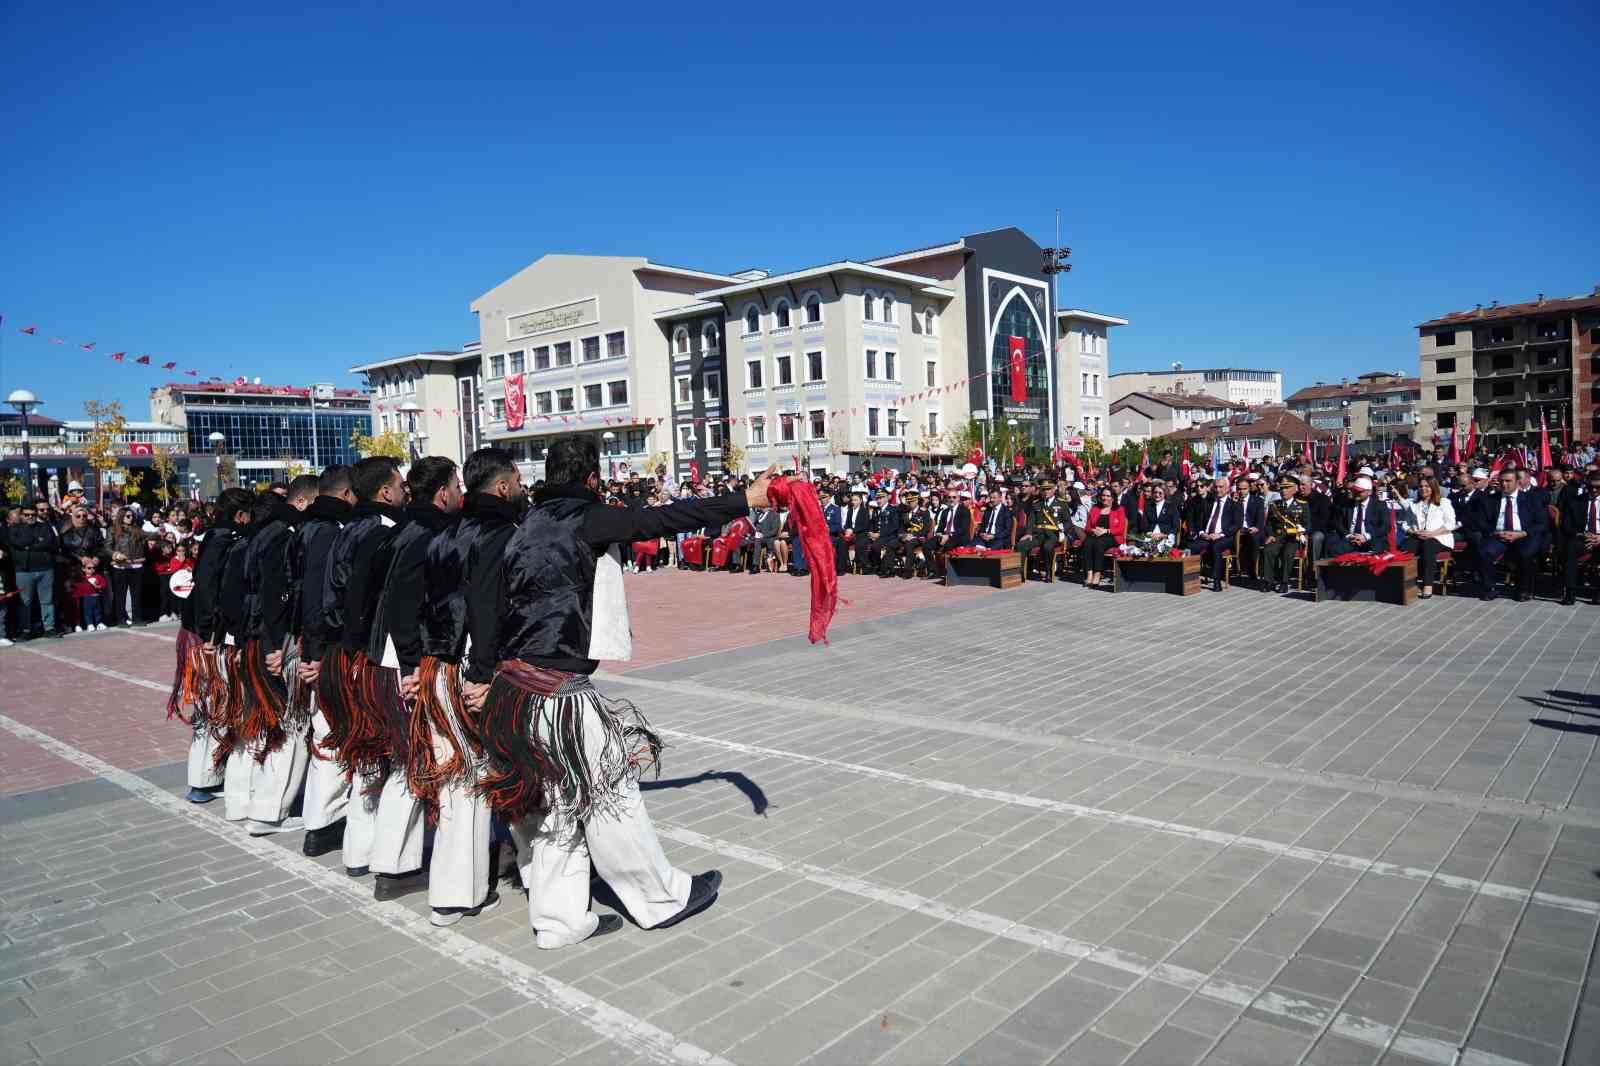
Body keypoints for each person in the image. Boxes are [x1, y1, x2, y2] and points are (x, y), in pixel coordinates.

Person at [479, 435, 772, 948]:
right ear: (592, 478)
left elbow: (488, 605)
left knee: (550, 805)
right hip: (558, 692)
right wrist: (743, 501)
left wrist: (478, 676)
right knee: (610, 795)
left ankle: (559, 921)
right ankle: (659, 899)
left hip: (511, 690)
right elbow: (660, 521)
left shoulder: (522, 528)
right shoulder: (583, 518)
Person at [419, 447, 524, 926]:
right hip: (476, 670)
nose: (523, 489)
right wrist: (481, 674)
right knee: (487, 776)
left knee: (456, 778)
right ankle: (500, 880)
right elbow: (484, 607)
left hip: (437, 668)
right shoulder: (501, 534)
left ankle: (454, 889)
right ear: (502, 487)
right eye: (519, 480)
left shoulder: (446, 533)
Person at [367, 456, 475, 916]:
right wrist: (414, 666)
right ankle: (406, 871)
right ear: (442, 491)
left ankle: (391, 864)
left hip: (392, 657)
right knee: (436, 763)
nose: (459, 491)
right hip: (411, 662)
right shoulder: (428, 535)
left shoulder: (401, 529)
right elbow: (406, 603)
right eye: (456, 484)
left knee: (409, 763)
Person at [318, 456, 411, 885]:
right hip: (371, 656)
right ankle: (387, 859)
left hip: (345, 653)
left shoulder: (345, 531)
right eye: (400, 483)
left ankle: (359, 850)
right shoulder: (384, 532)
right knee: (391, 754)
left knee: (365, 754)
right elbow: (364, 601)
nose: (406, 490)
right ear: (387, 492)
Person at [238, 474, 319, 835]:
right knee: (292, 725)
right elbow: (277, 593)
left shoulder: (262, 533)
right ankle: (271, 811)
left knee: (276, 725)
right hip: (274, 639)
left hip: (257, 635)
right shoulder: (284, 536)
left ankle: (260, 802)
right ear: (302, 502)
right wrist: (278, 644)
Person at [293, 465, 357, 858]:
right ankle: (324, 822)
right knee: (331, 733)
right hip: (325, 648)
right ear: (347, 494)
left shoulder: (303, 529)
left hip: (313, 642)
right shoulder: (328, 533)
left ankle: (322, 820)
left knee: (326, 731)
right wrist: (316, 653)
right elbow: (318, 597)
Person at [1475, 468, 1548, 602]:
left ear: (1517, 482)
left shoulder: (1531, 499)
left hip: (1523, 535)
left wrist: (1522, 533)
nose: (1504, 484)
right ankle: (1489, 588)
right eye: (1501, 481)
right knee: (1484, 551)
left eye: (1508, 481)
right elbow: (1482, 522)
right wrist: (1495, 532)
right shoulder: (1491, 499)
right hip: (1499, 535)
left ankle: (1523, 589)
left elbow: (1542, 523)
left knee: (1526, 553)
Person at [5, 502, 62, 639]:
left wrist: (28, 545)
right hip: (24, 571)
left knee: (47, 601)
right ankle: (25, 630)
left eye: (33, 514)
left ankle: (49, 628)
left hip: (45, 569)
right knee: (25, 602)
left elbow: (49, 542)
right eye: (27, 515)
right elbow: (16, 543)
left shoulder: (44, 526)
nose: (30, 517)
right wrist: (35, 541)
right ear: (21, 515)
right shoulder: (14, 529)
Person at [1402, 475, 1455, 599]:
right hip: (1418, 535)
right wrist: (1413, 532)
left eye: (1427, 486)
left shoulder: (1443, 502)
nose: (1423, 489)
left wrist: (1432, 533)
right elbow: (1405, 524)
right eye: (1421, 486)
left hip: (1439, 536)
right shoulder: (1413, 504)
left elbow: (1450, 523)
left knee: (1428, 546)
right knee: (1407, 547)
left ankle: (1427, 584)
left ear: (1433, 487)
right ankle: (1408, 582)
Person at [1259, 476, 1310, 594]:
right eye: (1282, 488)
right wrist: (1270, 534)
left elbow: (1308, 524)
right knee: (1268, 550)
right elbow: (1269, 524)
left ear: (1295, 489)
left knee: (1288, 553)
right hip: (1277, 536)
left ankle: (1284, 582)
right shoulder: (1274, 505)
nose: (1284, 491)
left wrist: (1302, 531)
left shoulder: (1302, 505)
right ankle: (1268, 581)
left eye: (1287, 488)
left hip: (1293, 538)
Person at [1560, 467, 1600, 605]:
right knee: (1570, 549)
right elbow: (1566, 524)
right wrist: (1582, 535)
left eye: (1598, 487)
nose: (1594, 490)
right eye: (1590, 487)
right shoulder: (1576, 501)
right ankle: (1570, 591)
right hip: (1583, 537)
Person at [1193, 477, 1241, 590]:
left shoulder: (1234, 505)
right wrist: (1201, 533)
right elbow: (1199, 521)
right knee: (1192, 546)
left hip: (1224, 537)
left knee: (1216, 546)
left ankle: (1216, 580)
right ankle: (1190, 579)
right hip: (1207, 536)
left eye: (1221, 487)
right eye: (1216, 487)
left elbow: (1236, 525)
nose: (1218, 489)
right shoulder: (1209, 502)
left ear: (1228, 488)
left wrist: (1220, 534)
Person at [1325, 476, 1390, 557]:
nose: (1356, 493)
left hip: (1370, 539)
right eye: (1354, 490)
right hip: (1351, 539)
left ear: (1369, 492)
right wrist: (1349, 535)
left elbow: (1386, 527)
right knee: (1333, 549)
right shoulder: (1346, 504)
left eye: (1359, 491)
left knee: (1377, 547)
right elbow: (1338, 523)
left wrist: (1366, 536)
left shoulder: (1379, 505)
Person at [107, 508, 147, 626]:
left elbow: (149, 536)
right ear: (121, 516)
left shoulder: (138, 530)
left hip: (136, 564)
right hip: (120, 566)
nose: (131, 518)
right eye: (128, 516)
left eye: (132, 516)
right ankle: (121, 619)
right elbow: (107, 546)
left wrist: (158, 533)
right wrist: (115, 554)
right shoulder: (113, 530)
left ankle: (137, 618)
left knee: (137, 593)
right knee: (120, 594)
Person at [1081, 487, 1126, 589]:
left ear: (1113, 498)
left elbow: (1121, 529)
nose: (1105, 498)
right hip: (1096, 535)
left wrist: (1106, 531)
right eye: (1103, 495)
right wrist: (1093, 530)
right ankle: (1089, 574)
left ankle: (1097, 574)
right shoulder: (1095, 508)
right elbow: (1087, 527)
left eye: (1108, 496)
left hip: (1112, 537)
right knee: (1087, 542)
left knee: (1099, 543)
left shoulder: (1119, 509)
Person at [73, 557, 108, 630]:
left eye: (93, 568)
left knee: (98, 611)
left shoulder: (97, 576)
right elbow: (77, 588)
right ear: (84, 569)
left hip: (96, 597)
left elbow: (104, 584)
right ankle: (90, 624)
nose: (92, 570)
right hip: (87, 598)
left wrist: (99, 586)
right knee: (88, 612)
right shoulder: (82, 578)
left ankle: (98, 623)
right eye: (89, 568)